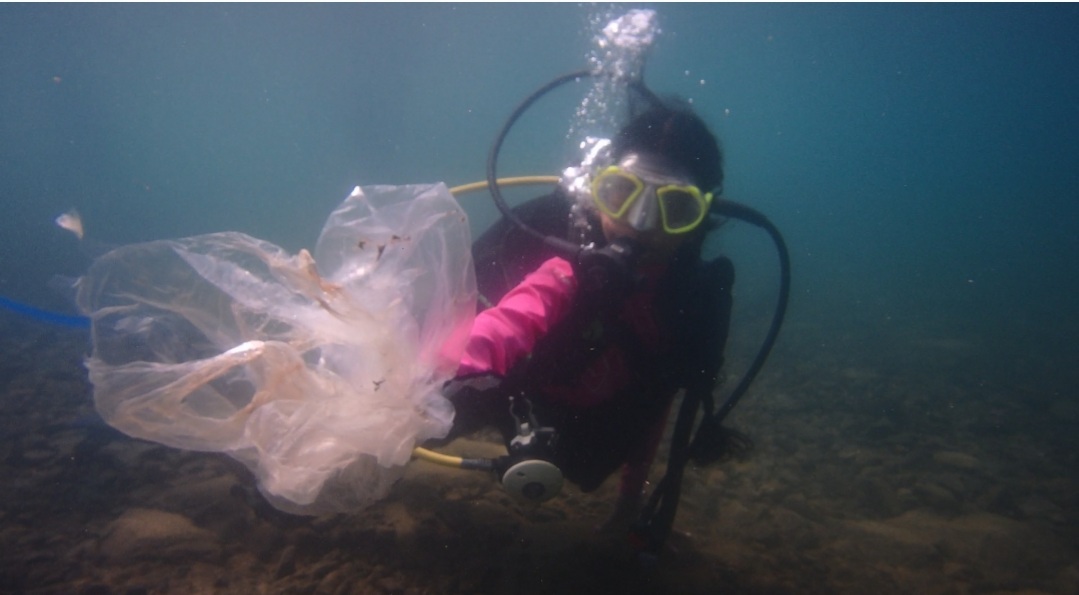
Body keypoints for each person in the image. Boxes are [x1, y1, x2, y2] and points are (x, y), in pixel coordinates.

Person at [447, 100, 735, 534]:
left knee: (585, 469)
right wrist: (417, 387)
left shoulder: (684, 301)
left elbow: (657, 401)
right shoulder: (562, 257)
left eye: (675, 208)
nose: (640, 223)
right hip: (503, 390)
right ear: (596, 187)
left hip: (580, 426)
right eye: (621, 193)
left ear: (698, 220)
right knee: (436, 412)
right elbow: (507, 324)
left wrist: (629, 501)